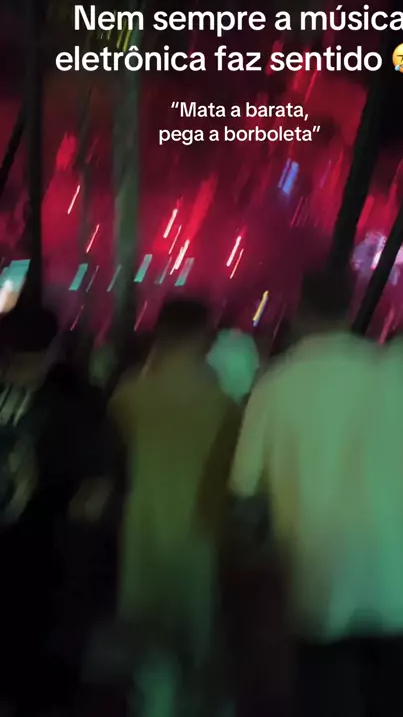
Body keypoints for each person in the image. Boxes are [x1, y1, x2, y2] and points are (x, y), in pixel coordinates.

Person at [228, 269, 403, 717]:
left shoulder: (274, 387)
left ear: (300, 312)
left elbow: (245, 487)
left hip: (318, 589)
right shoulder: (390, 377)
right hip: (394, 582)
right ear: (350, 310)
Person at [110, 297, 240, 716]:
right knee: (196, 654)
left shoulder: (127, 398)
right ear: (204, 337)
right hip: (199, 542)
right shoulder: (224, 407)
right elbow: (237, 484)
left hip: (141, 540)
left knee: (150, 658)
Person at [0, 301, 121, 716]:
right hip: (56, 559)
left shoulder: (72, 401)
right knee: (48, 678)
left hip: (26, 557)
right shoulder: (81, 400)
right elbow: (95, 493)